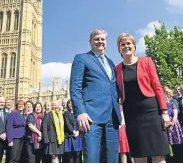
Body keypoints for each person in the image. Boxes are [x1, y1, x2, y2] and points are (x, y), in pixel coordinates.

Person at [115, 33, 169, 163]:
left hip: (152, 113)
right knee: (139, 155)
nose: (126, 46)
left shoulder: (146, 61)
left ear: (134, 46)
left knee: (158, 154)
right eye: (122, 44)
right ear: (119, 49)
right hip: (132, 116)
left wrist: (164, 112)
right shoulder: (116, 69)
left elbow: (157, 87)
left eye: (129, 43)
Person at [70, 29, 121, 163]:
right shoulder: (82, 58)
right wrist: (80, 112)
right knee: (92, 158)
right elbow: (75, 88)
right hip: (91, 117)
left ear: (106, 42)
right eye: (96, 39)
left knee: (112, 159)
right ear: (90, 42)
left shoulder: (110, 63)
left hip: (112, 118)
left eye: (103, 39)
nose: (100, 42)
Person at [164, 89, 183, 163]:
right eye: (164, 97)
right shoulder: (162, 107)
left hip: (174, 126)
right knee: (169, 142)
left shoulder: (172, 104)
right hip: (166, 126)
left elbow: (175, 115)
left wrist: (171, 124)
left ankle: (181, 157)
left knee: (177, 141)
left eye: (166, 97)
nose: (165, 98)